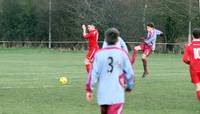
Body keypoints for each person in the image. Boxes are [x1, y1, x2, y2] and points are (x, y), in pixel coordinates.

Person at [86, 28, 135, 114]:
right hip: (116, 95)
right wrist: (130, 86)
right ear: (117, 39)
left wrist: (89, 89)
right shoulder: (122, 54)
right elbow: (129, 73)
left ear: (105, 39)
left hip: (103, 95)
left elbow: (92, 74)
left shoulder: (99, 54)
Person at [183, 28, 200, 101]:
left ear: (192, 36)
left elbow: (185, 59)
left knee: (198, 87)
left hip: (194, 69)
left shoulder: (189, 46)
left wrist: (191, 63)